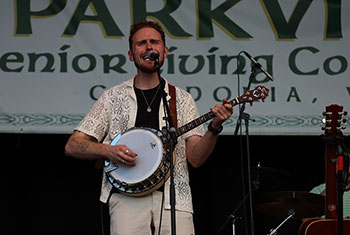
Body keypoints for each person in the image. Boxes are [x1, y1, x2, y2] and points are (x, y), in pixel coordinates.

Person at [65, 20, 233, 235]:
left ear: (165, 51)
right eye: (141, 43)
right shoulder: (112, 97)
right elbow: (73, 145)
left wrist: (214, 127)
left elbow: (196, 158)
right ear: (131, 54)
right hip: (126, 201)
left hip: (175, 202)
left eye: (154, 42)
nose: (148, 47)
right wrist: (109, 150)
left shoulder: (181, 99)